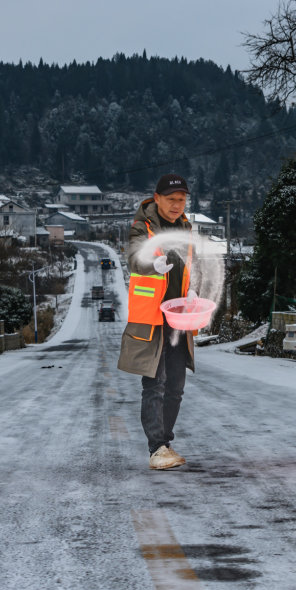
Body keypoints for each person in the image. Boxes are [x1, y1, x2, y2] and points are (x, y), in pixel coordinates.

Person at [118, 173, 196, 470]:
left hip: (179, 316)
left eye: (182, 200)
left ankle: (164, 442)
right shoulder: (143, 226)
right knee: (155, 383)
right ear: (158, 198)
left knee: (175, 386)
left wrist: (193, 287)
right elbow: (136, 256)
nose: (177, 205)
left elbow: (191, 265)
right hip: (152, 318)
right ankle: (157, 448)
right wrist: (153, 264)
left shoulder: (186, 228)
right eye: (172, 199)